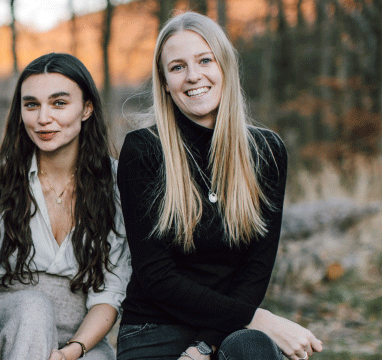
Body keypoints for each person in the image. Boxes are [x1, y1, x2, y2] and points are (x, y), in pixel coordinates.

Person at [115, 12, 323, 360]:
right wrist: (260, 318)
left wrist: (204, 345)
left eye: (204, 60)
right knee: (258, 333)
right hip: (154, 328)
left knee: (254, 347)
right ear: (165, 82)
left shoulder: (267, 152)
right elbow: (157, 276)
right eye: (177, 67)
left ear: (225, 66)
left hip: (230, 329)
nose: (193, 75)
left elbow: (255, 270)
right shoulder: (144, 149)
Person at [0, 53, 131, 360]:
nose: (43, 118)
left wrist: (70, 352)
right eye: (31, 104)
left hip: (79, 339)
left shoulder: (115, 185)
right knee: (34, 307)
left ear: (86, 109)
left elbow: (109, 297)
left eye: (59, 103)